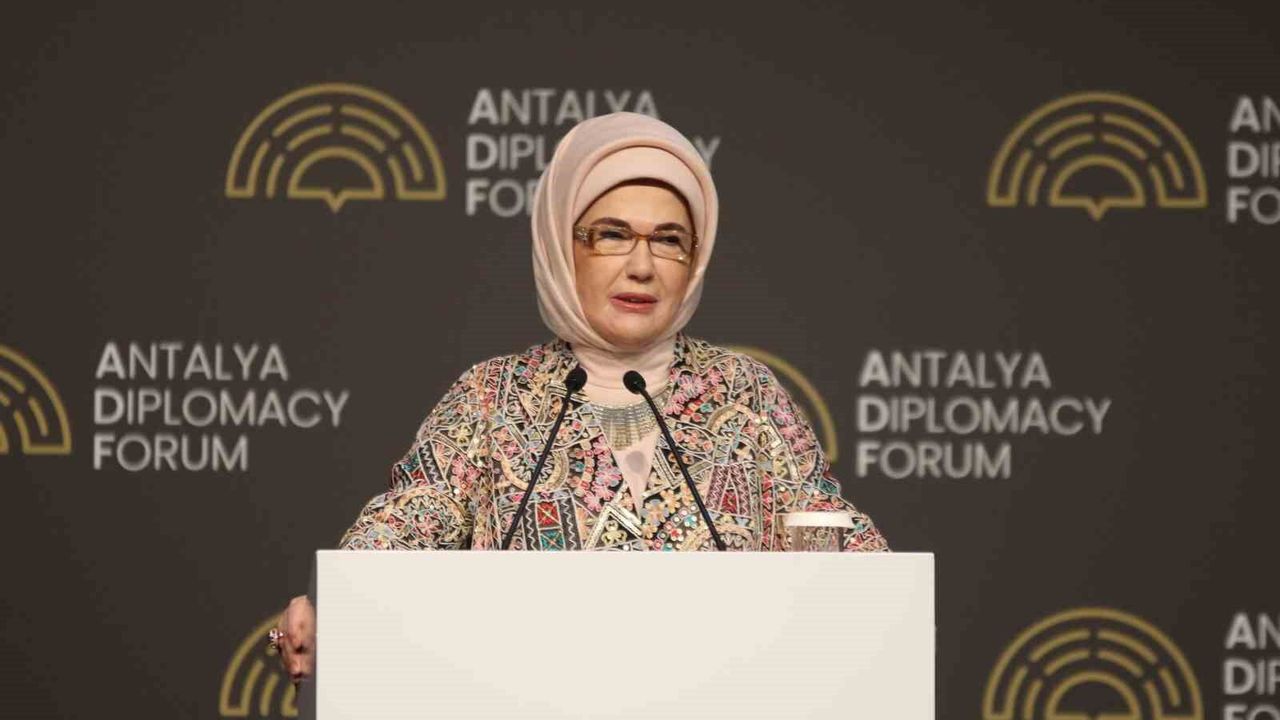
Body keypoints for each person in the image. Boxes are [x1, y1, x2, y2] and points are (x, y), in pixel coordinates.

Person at [272, 111, 889, 681]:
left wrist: (872, 593)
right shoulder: (490, 396)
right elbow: (405, 527)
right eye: (612, 234)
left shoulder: (748, 395)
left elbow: (839, 543)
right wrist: (331, 606)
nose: (642, 266)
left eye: (670, 239)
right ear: (560, 245)